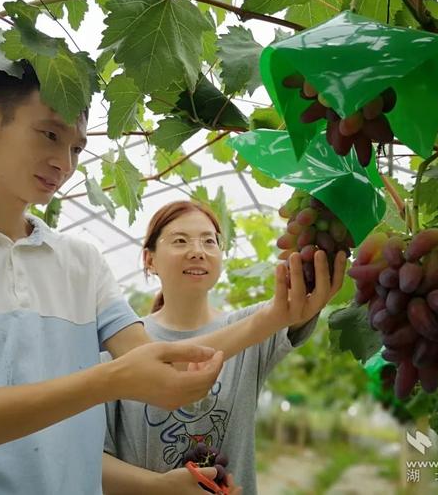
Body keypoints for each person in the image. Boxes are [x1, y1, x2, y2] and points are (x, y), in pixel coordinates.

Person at [0, 62, 342, 495]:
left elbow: (165, 371)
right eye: (49, 134)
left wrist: (275, 316)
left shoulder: (83, 264)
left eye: (77, 147)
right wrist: (106, 381)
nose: (64, 161)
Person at [100, 201, 347, 495]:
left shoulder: (254, 324)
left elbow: (294, 305)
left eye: (209, 241)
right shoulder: (119, 341)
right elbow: (94, 459)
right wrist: (161, 487)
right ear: (149, 260)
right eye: (180, 241)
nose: (198, 251)